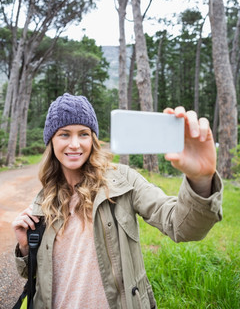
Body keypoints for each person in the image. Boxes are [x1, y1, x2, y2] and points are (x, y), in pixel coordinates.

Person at [12, 93, 223, 309]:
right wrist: (26, 246)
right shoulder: (44, 198)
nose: (74, 144)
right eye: (64, 134)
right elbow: (37, 276)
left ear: (92, 139)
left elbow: (182, 226)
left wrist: (201, 179)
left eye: (83, 134)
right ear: (51, 141)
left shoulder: (123, 181)